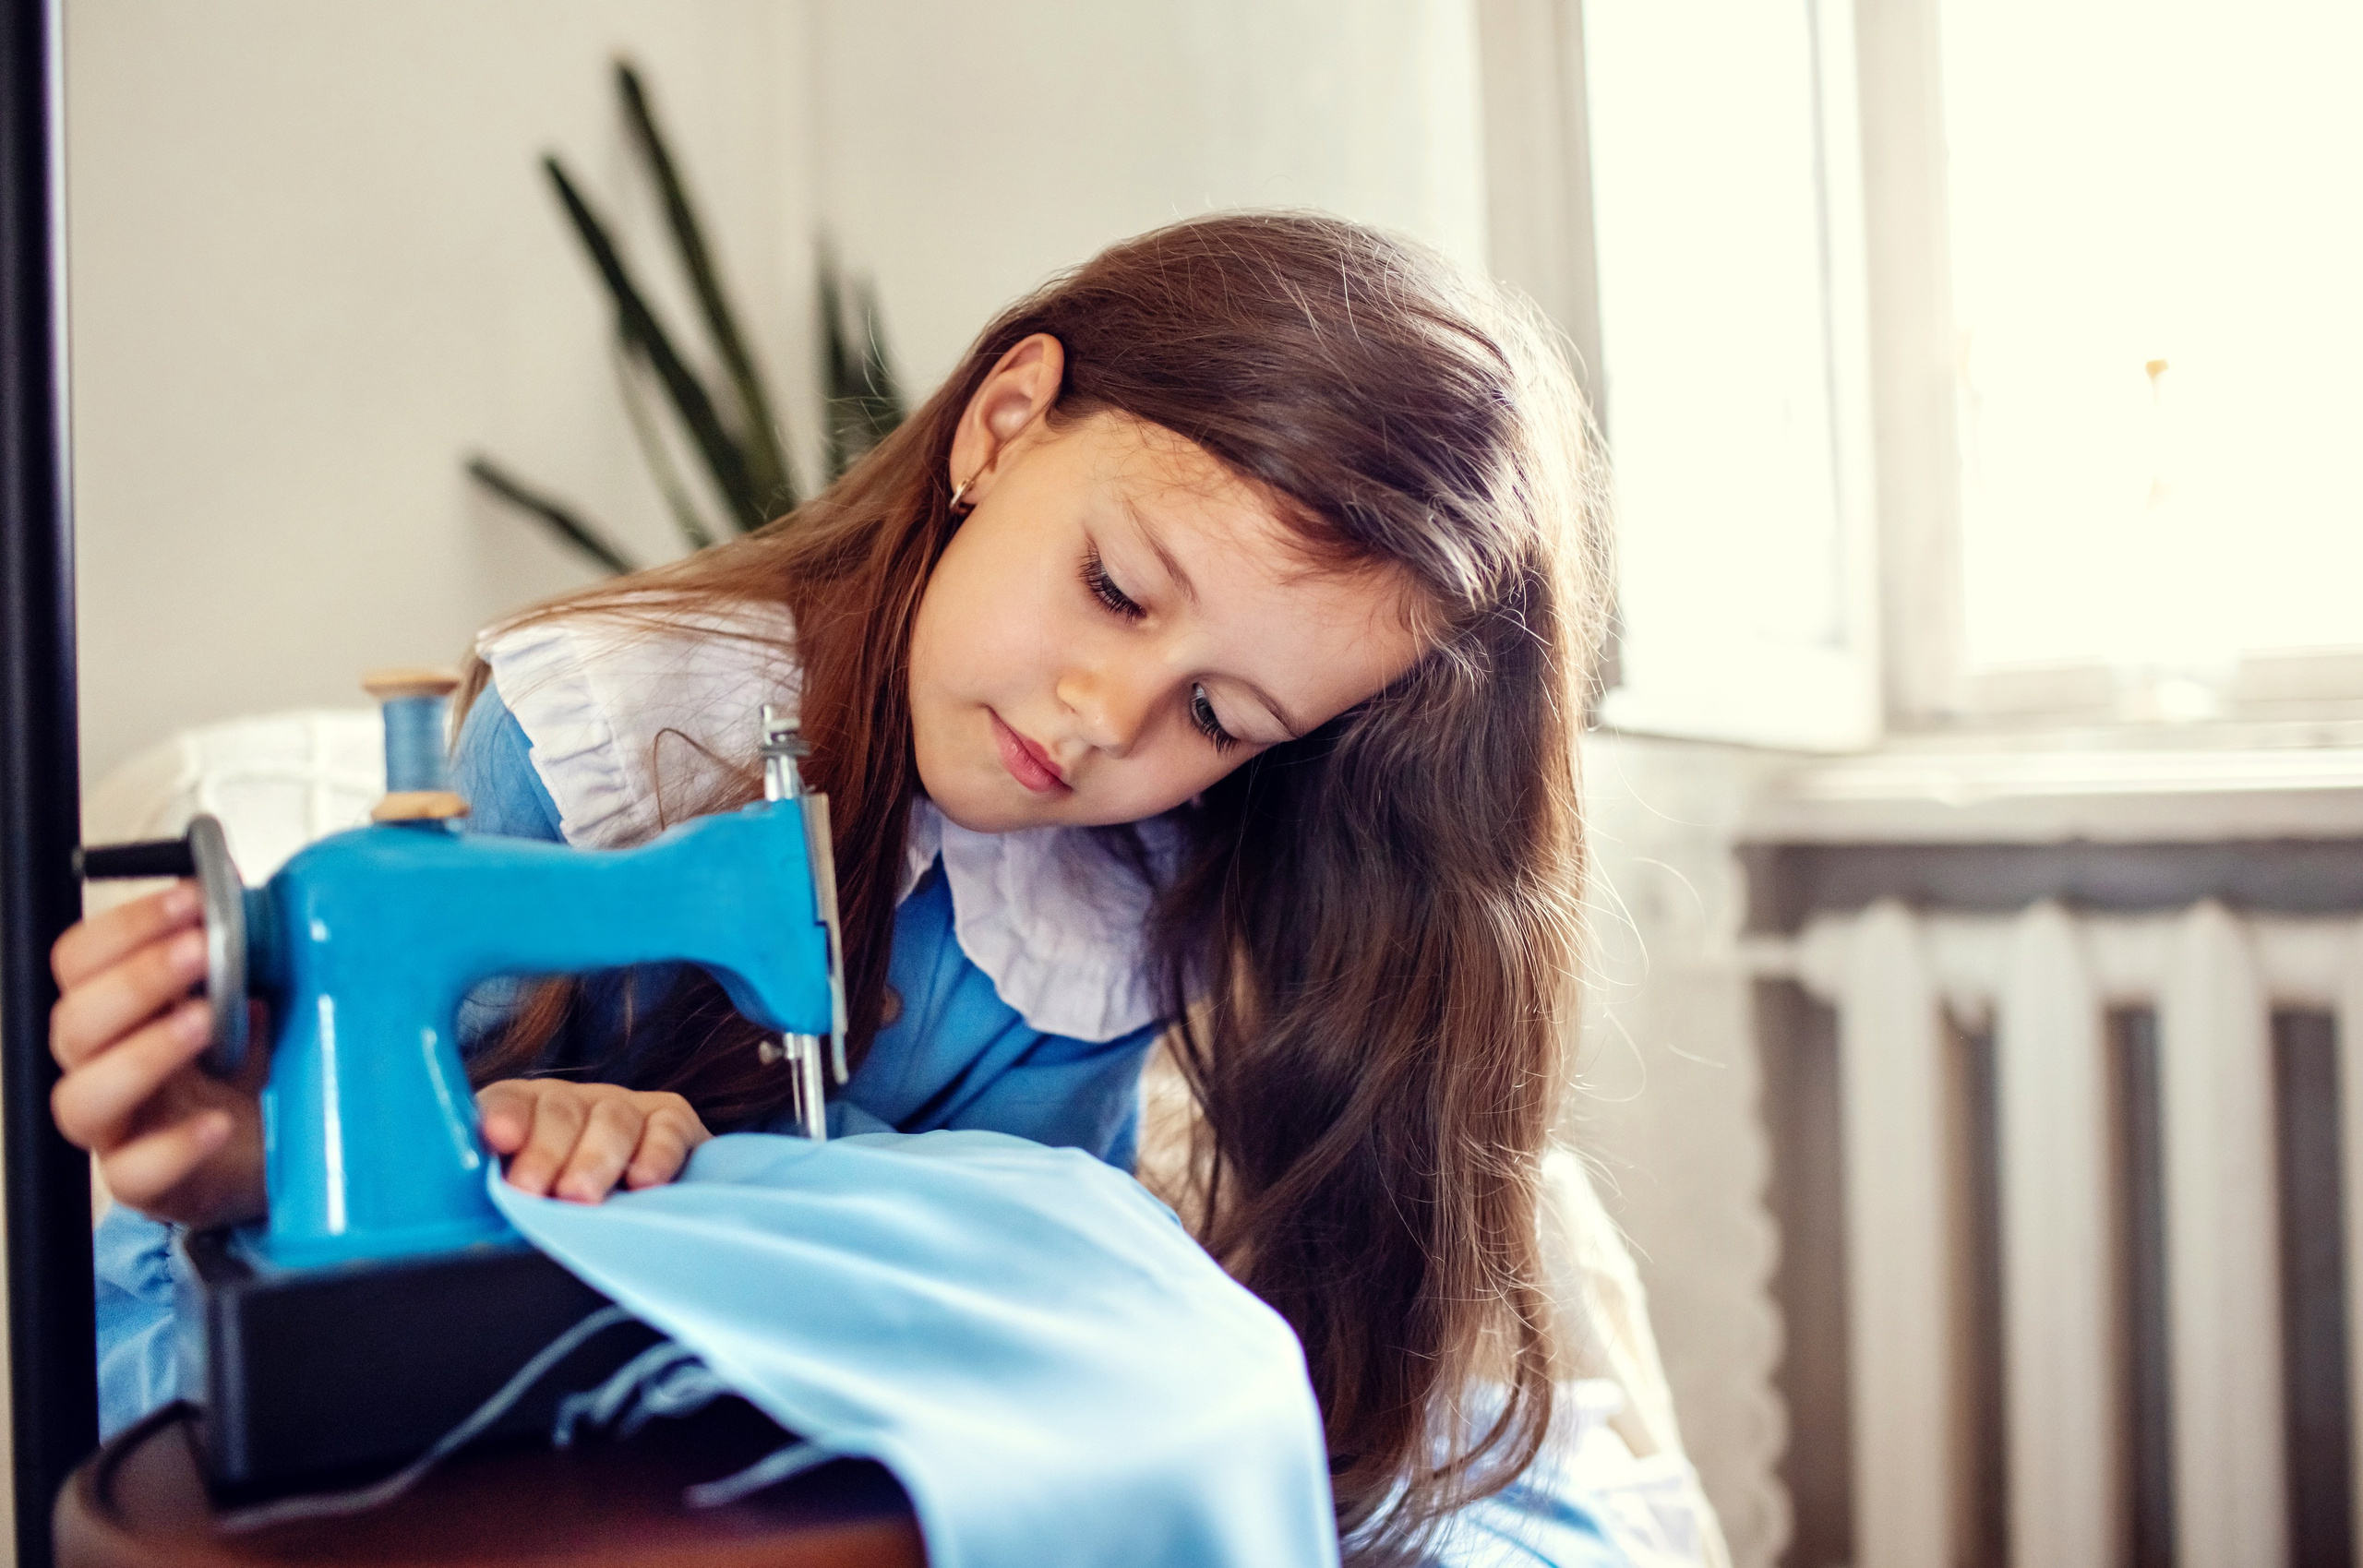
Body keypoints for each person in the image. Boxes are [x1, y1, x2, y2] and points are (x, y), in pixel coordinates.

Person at [51, 212, 1640, 1565]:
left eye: (1219, 719)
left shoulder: (1115, 903)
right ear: (1004, 423)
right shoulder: (611, 729)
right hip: (457, 1379)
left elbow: (998, 1287)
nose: (1104, 719)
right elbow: (389, 1176)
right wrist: (512, 1131)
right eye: (1113, 587)